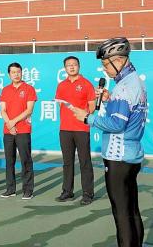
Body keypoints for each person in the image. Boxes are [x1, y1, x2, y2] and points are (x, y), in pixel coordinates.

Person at [73, 37, 147, 247]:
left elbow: (116, 124)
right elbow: (127, 112)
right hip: (131, 155)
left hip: (118, 156)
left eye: (106, 64)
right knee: (131, 209)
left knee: (121, 213)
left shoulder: (124, 88)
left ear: (119, 60)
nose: (105, 70)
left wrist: (87, 118)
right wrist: (109, 99)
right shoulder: (133, 82)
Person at [54, 55, 96, 205]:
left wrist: (82, 115)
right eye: (68, 65)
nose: (71, 67)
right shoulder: (61, 85)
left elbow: (92, 107)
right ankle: (67, 191)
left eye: (74, 64)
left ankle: (88, 194)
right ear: (65, 68)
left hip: (81, 128)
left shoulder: (86, 84)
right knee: (67, 162)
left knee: (85, 162)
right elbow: (60, 104)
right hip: (65, 129)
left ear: (79, 66)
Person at [0, 62, 37, 199]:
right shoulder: (5, 90)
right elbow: (3, 110)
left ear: (22, 73)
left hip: (23, 129)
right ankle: (10, 189)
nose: (16, 74)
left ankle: (28, 190)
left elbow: (29, 110)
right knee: (9, 161)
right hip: (8, 130)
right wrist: (9, 124)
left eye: (18, 72)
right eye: (13, 72)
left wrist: (13, 122)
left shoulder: (29, 89)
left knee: (25, 160)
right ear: (9, 74)